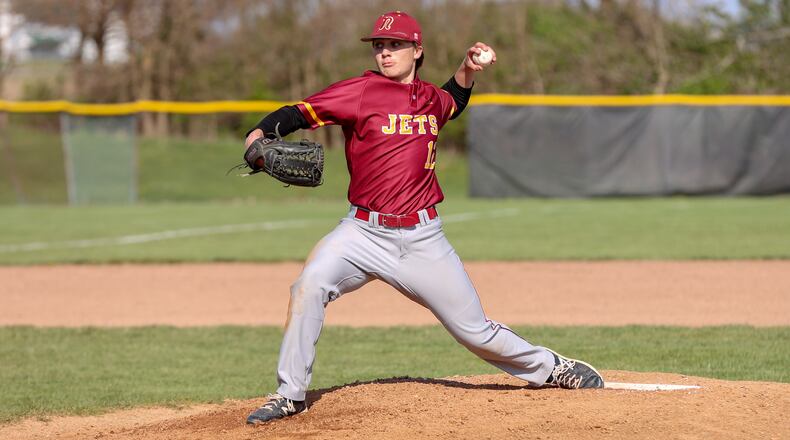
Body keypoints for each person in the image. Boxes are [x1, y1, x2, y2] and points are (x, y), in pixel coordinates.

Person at [244, 10, 603, 425]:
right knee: (308, 286)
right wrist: (258, 133)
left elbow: (454, 100)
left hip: (422, 239)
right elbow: (297, 113)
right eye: (379, 45)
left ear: (417, 51)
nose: (385, 53)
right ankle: (290, 394)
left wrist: (468, 69)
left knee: (474, 331)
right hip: (361, 233)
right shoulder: (359, 91)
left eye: (395, 45)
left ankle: (549, 366)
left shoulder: (431, 98)